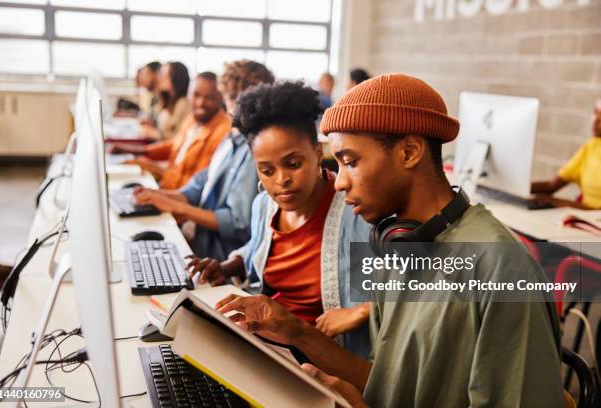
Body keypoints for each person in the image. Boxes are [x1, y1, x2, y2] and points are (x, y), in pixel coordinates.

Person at [215, 74, 564, 407]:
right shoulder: (397, 249)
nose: (338, 182)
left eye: (350, 162)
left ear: (410, 152)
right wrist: (293, 331)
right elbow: (384, 385)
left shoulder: (501, 269)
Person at [186, 81, 371, 357]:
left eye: (293, 164)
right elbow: (257, 249)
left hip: (318, 358)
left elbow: (439, 277)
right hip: (265, 345)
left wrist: (365, 309)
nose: (281, 180)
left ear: (318, 154)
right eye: (267, 170)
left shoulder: (356, 212)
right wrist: (226, 267)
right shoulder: (264, 206)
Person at [134, 60, 275, 261]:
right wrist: (161, 196)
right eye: (233, 97)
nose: (239, 105)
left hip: (220, 259)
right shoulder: (231, 138)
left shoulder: (257, 149)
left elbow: (237, 223)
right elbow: (200, 184)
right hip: (201, 244)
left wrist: (177, 207)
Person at [110, 72, 231, 190]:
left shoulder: (223, 132)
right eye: (196, 95)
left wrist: (155, 169)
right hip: (168, 183)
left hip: (178, 195)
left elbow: (194, 186)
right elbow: (174, 145)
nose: (200, 103)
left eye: (209, 98)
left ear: (220, 98)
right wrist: (138, 151)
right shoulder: (193, 119)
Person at [531, 98, 601, 209]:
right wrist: (517, 188)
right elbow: (551, 186)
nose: (595, 120)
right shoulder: (591, 147)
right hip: (581, 220)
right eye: (595, 112)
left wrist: (568, 204)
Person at [142, 61, 190, 141]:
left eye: (165, 75)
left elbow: (179, 137)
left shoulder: (182, 103)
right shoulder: (169, 101)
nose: (160, 78)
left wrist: (154, 133)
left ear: (176, 78)